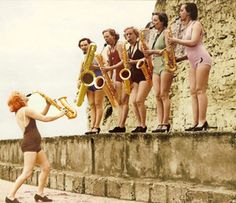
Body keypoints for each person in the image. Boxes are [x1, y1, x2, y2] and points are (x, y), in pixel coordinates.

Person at [6, 91, 66, 203]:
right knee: (27, 173)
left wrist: (47, 105)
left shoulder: (23, 111)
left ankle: (40, 194)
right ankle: (10, 196)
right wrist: (61, 114)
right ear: (19, 99)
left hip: (34, 144)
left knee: (46, 167)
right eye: (21, 94)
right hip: (30, 144)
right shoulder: (25, 110)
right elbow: (45, 119)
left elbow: (41, 115)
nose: (25, 94)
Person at [168, 3, 212, 131]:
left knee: (200, 90)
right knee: (193, 91)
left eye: (182, 10)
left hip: (203, 59)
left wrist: (175, 40)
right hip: (193, 61)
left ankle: (202, 121)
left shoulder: (196, 24)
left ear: (189, 12)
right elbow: (189, 51)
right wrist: (179, 59)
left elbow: (193, 42)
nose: (179, 12)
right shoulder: (186, 27)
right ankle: (195, 122)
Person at [144, 12, 174, 133]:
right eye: (153, 21)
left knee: (164, 94)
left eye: (156, 21)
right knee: (157, 95)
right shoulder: (156, 34)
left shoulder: (167, 32)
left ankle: (165, 123)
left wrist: (152, 51)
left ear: (162, 21)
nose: (153, 23)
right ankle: (160, 123)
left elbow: (168, 49)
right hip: (156, 65)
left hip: (165, 64)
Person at [124, 27, 152, 132]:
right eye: (126, 35)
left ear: (136, 35)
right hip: (134, 76)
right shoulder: (128, 49)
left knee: (140, 100)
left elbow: (148, 57)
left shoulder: (141, 45)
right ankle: (139, 124)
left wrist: (134, 61)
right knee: (133, 102)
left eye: (130, 34)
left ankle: (144, 125)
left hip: (144, 74)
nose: (128, 36)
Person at [102, 29, 129, 133]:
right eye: (104, 37)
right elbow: (110, 66)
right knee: (119, 101)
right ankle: (119, 125)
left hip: (124, 74)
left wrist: (109, 68)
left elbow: (123, 60)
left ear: (114, 36)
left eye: (107, 36)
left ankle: (122, 125)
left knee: (124, 100)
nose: (106, 39)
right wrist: (109, 78)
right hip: (116, 76)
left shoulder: (120, 45)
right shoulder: (108, 49)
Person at [78, 38, 105, 134]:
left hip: (98, 79)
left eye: (85, 45)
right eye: (81, 45)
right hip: (88, 81)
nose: (83, 47)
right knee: (92, 105)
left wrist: (95, 67)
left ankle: (97, 127)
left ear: (90, 45)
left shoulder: (98, 55)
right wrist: (78, 81)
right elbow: (81, 70)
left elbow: (105, 67)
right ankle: (92, 126)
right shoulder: (83, 58)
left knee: (98, 104)